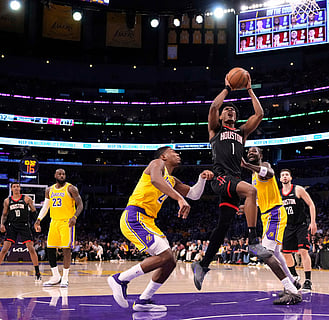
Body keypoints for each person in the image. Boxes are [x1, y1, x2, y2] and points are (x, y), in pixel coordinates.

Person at [108, 147, 213, 312]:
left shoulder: (173, 180)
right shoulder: (156, 163)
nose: (178, 154)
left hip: (148, 221)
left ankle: (144, 300)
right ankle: (120, 279)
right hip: (134, 216)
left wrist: (202, 179)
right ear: (164, 156)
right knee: (164, 255)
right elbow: (156, 180)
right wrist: (179, 198)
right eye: (173, 152)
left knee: (170, 261)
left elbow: (194, 194)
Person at [192, 71, 271, 291]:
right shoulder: (214, 130)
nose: (229, 111)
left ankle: (202, 265)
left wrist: (248, 89)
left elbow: (260, 114)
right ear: (220, 117)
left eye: (233, 111)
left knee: (222, 226)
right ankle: (254, 240)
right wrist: (227, 88)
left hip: (233, 181)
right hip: (221, 177)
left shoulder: (241, 132)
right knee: (252, 192)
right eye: (227, 110)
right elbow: (212, 108)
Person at [243, 146, 302, 304]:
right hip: (266, 215)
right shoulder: (254, 176)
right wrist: (245, 208)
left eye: (254, 151)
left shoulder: (266, 166)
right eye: (248, 152)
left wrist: (247, 165)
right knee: (275, 253)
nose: (250, 153)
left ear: (260, 155)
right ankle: (293, 281)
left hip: (274, 213)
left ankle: (291, 290)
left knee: (265, 253)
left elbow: (269, 173)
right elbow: (258, 199)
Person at [35, 169, 83, 287]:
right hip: (54, 222)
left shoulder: (71, 188)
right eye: (59, 174)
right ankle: (56, 276)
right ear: (55, 175)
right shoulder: (49, 190)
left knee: (66, 249)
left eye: (63, 174)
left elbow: (80, 205)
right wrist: (38, 219)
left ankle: (65, 278)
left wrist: (75, 217)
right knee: (50, 248)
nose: (62, 176)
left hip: (67, 222)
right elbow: (45, 207)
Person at [280, 169, 317, 290]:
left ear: (290, 178)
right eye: (282, 175)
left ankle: (308, 280)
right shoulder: (279, 194)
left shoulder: (298, 189)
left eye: (287, 175)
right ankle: (294, 275)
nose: (285, 177)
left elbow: (311, 204)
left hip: (301, 225)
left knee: (303, 251)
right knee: (285, 253)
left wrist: (312, 222)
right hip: (287, 226)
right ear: (280, 179)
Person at [0, 182, 41, 281]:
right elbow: (4, 215)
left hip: (24, 225)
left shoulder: (27, 199)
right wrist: (1, 224)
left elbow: (34, 212)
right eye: (14, 187)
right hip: (12, 226)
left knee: (31, 248)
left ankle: (38, 272)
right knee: (4, 249)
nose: (16, 188)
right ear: (11, 189)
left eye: (18, 186)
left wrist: (37, 224)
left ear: (20, 188)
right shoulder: (7, 201)